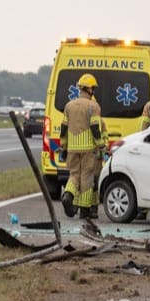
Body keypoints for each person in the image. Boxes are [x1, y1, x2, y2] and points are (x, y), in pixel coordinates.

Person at [59, 73, 105, 219]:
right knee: (87, 178)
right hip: (88, 149)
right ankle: (84, 211)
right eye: (93, 89)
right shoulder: (94, 106)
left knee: (73, 175)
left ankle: (67, 195)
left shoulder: (69, 105)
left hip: (72, 147)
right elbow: (95, 128)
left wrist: (64, 147)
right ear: (90, 89)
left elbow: (64, 128)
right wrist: (101, 145)